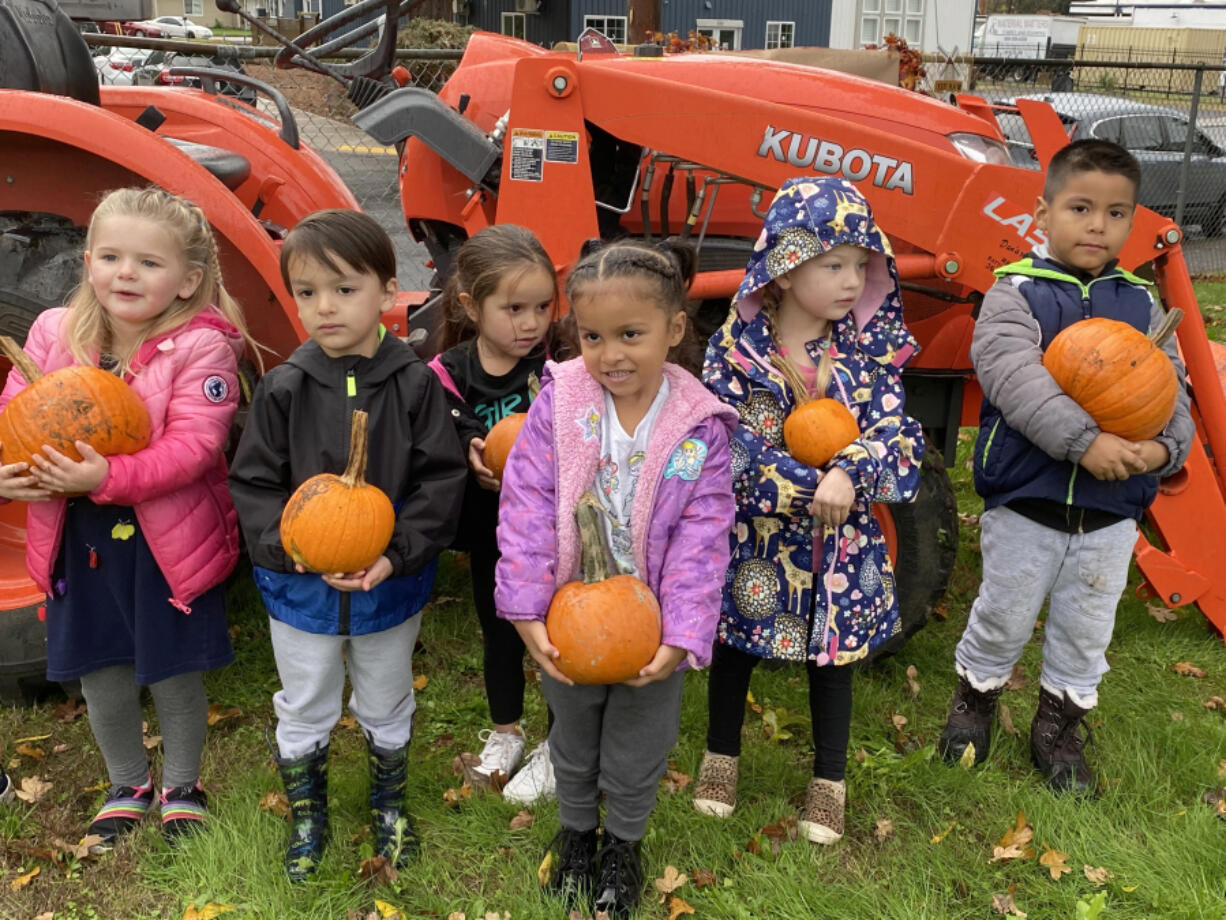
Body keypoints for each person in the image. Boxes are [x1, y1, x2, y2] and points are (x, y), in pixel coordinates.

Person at [0, 187, 258, 848]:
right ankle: (126, 783)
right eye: (111, 256)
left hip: (162, 542)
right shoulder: (54, 334)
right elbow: (18, 420)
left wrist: (105, 477)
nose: (126, 273)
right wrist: (17, 476)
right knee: (101, 672)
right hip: (75, 542)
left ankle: (182, 784)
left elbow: (194, 451)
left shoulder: (201, 350)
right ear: (87, 262)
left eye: (148, 262)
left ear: (187, 280)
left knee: (172, 670)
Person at [937, 139, 1193, 793]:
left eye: (1115, 213)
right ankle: (975, 704)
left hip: (1111, 513)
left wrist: (1164, 451)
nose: (1097, 225)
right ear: (1043, 213)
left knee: (1086, 626)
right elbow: (1015, 380)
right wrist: (1086, 443)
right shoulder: (1016, 295)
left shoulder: (1141, 305)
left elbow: (1172, 393)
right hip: (1028, 498)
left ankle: (1058, 728)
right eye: (1081, 208)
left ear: (1131, 222)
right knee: (1005, 613)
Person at [494, 240, 736, 919]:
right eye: (594, 337)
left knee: (637, 742)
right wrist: (525, 609)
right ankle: (576, 834)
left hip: (650, 621)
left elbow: (702, 535)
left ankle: (623, 844)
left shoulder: (697, 427)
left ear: (674, 330)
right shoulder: (561, 402)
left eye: (632, 334)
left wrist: (683, 634)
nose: (612, 355)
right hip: (570, 615)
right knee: (572, 733)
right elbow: (528, 507)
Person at [228, 209, 467, 880]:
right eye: (307, 292)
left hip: (388, 588)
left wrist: (396, 553)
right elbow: (252, 484)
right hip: (300, 591)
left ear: (387, 292)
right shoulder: (284, 388)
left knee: (386, 695)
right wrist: (290, 549)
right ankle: (310, 814)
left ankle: (388, 805)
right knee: (305, 699)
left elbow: (439, 482)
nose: (324, 307)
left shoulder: (415, 386)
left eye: (343, 289)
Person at [695, 176, 924, 844]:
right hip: (757, 539)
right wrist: (798, 483)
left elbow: (897, 438)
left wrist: (852, 472)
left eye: (861, 264)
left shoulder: (868, 356)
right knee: (734, 645)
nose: (853, 280)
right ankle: (721, 756)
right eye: (834, 265)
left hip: (841, 542)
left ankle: (829, 781)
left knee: (833, 658)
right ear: (788, 269)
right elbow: (722, 440)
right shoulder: (735, 353)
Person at [428, 225, 559, 805]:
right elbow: (443, 425)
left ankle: (561, 743)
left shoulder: (560, 367)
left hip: (555, 534)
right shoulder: (448, 371)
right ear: (470, 306)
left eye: (541, 307)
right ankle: (506, 733)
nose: (530, 323)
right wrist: (469, 446)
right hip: (493, 535)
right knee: (499, 632)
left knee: (558, 636)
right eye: (513, 309)